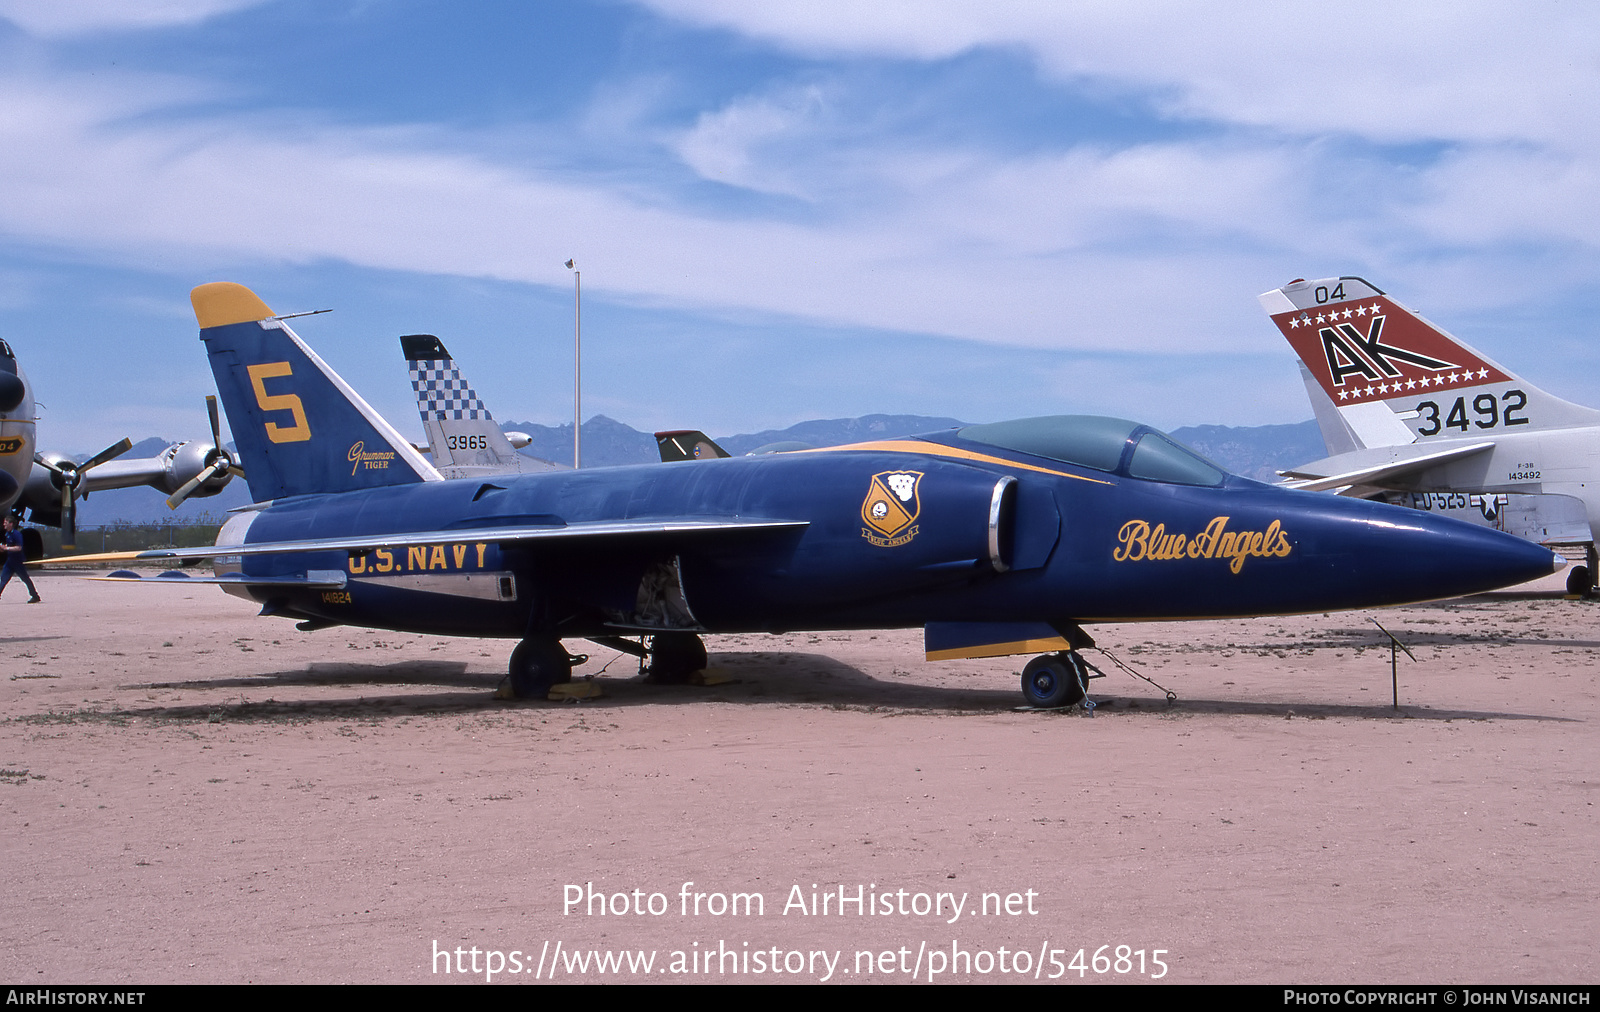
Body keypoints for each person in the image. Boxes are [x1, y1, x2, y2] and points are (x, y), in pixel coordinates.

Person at [1, 514, 40, 603]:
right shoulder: (7, 534)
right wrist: (3, 548)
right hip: (10, 561)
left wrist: (6, 548)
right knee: (3, 579)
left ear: (11, 524)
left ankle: (35, 596)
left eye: (5, 522)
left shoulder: (16, 534)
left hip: (18, 562)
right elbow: (9, 547)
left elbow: (19, 548)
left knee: (25, 579)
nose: (4, 524)